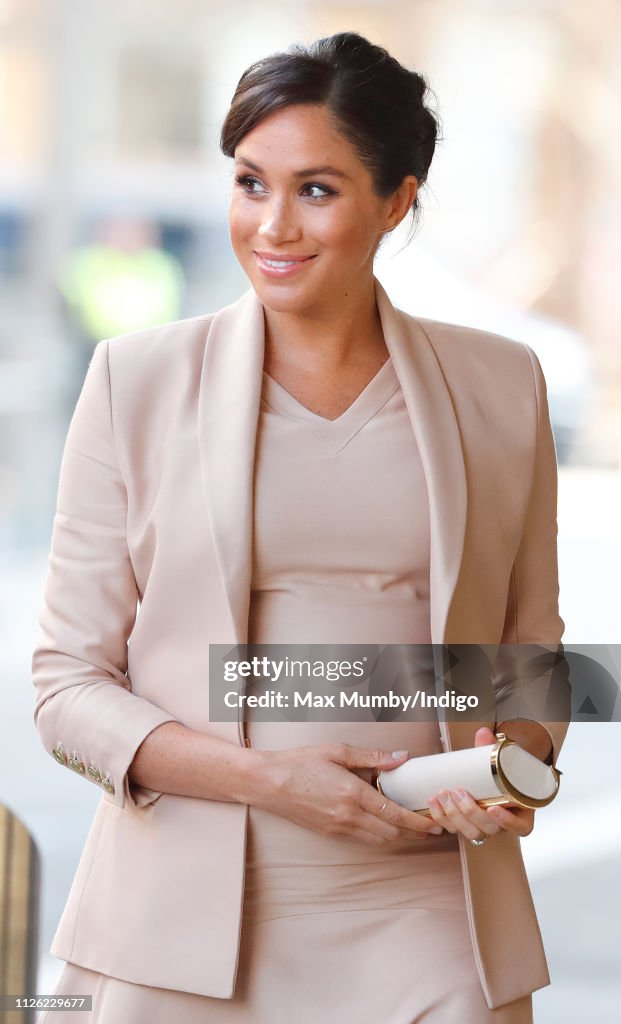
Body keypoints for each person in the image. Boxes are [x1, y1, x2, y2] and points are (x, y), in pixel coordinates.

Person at [32, 31, 567, 1024]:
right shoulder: (135, 383)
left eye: (317, 189)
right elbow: (67, 685)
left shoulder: (502, 384)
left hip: (433, 901)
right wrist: (272, 781)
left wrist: (512, 765)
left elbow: (531, 653)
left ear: (398, 198)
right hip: (182, 920)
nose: (273, 225)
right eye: (250, 182)